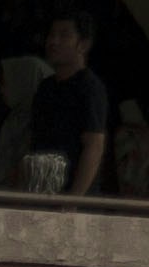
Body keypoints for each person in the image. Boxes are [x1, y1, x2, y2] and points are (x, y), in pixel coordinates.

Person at [17, 15, 110, 194]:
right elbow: (32, 140)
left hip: (71, 197)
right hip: (39, 190)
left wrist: (73, 199)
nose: (53, 41)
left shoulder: (90, 87)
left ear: (83, 44)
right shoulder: (46, 87)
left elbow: (94, 145)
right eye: (51, 35)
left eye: (64, 35)